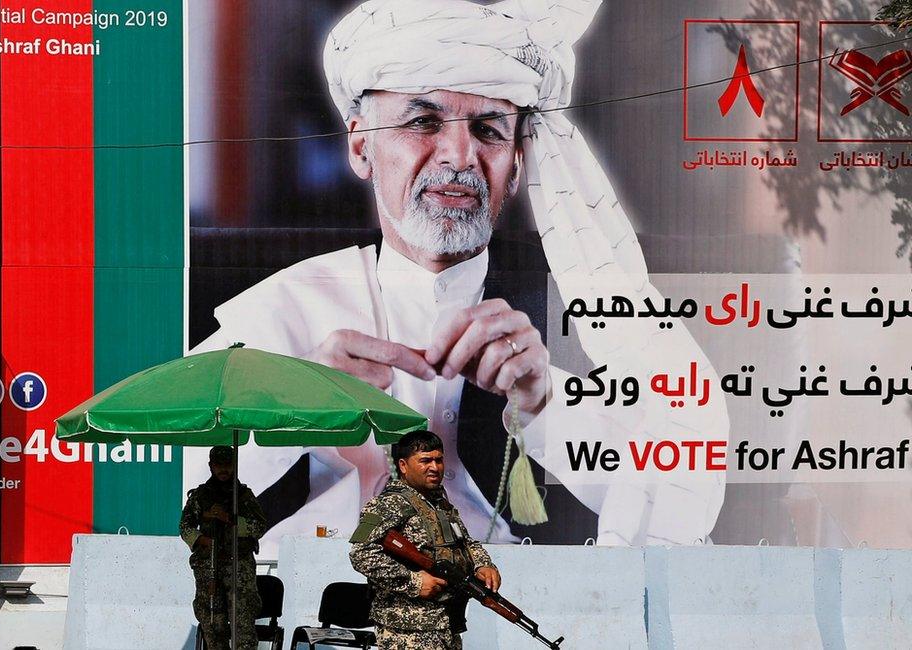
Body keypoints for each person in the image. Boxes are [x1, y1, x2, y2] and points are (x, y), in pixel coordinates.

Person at [187, 0, 728, 558]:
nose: (460, 155)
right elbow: (146, 475)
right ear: (360, 146)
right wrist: (288, 409)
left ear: (517, 163)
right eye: (423, 122)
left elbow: (686, 496)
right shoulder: (288, 308)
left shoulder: (584, 312)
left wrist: (545, 405)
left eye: (489, 129)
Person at [350, 430, 500, 650]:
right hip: (406, 631)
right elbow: (361, 554)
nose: (434, 467)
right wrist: (413, 582)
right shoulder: (388, 504)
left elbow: (466, 543)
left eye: (439, 460)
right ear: (403, 465)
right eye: (425, 460)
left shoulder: (441, 505)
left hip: (445, 624)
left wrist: (483, 564)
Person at [179, 445, 268, 649]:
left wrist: (230, 519)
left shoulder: (244, 496)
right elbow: (185, 527)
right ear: (211, 466)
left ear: (234, 466)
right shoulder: (200, 496)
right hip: (209, 567)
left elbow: (260, 526)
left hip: (239, 566)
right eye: (219, 465)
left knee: (242, 625)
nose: (223, 470)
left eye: (227, 465)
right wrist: (203, 537)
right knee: (212, 623)